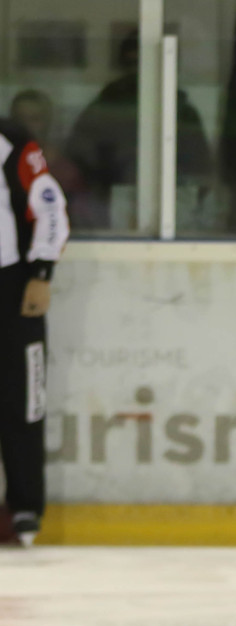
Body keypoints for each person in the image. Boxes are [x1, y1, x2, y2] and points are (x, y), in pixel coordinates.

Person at [0, 114, 69, 546]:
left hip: (11, 287)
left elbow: (49, 205)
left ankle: (24, 507)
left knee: (23, 397)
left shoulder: (10, 140)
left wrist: (42, 271)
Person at [64, 31, 212, 229]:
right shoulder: (103, 109)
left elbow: (200, 167)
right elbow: (78, 159)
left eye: (145, 63)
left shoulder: (182, 111)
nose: (140, 71)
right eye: (133, 63)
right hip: (110, 204)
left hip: (173, 202)